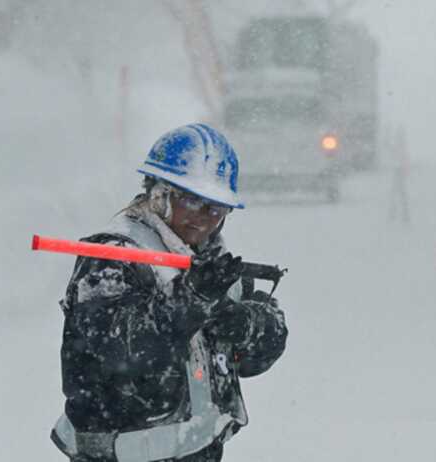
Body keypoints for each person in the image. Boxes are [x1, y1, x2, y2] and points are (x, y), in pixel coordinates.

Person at [51, 123, 288, 462]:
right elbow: (114, 352)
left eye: (215, 208)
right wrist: (190, 302)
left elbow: (266, 343)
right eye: (190, 200)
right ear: (159, 193)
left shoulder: (211, 262)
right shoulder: (113, 257)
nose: (202, 218)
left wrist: (246, 324)